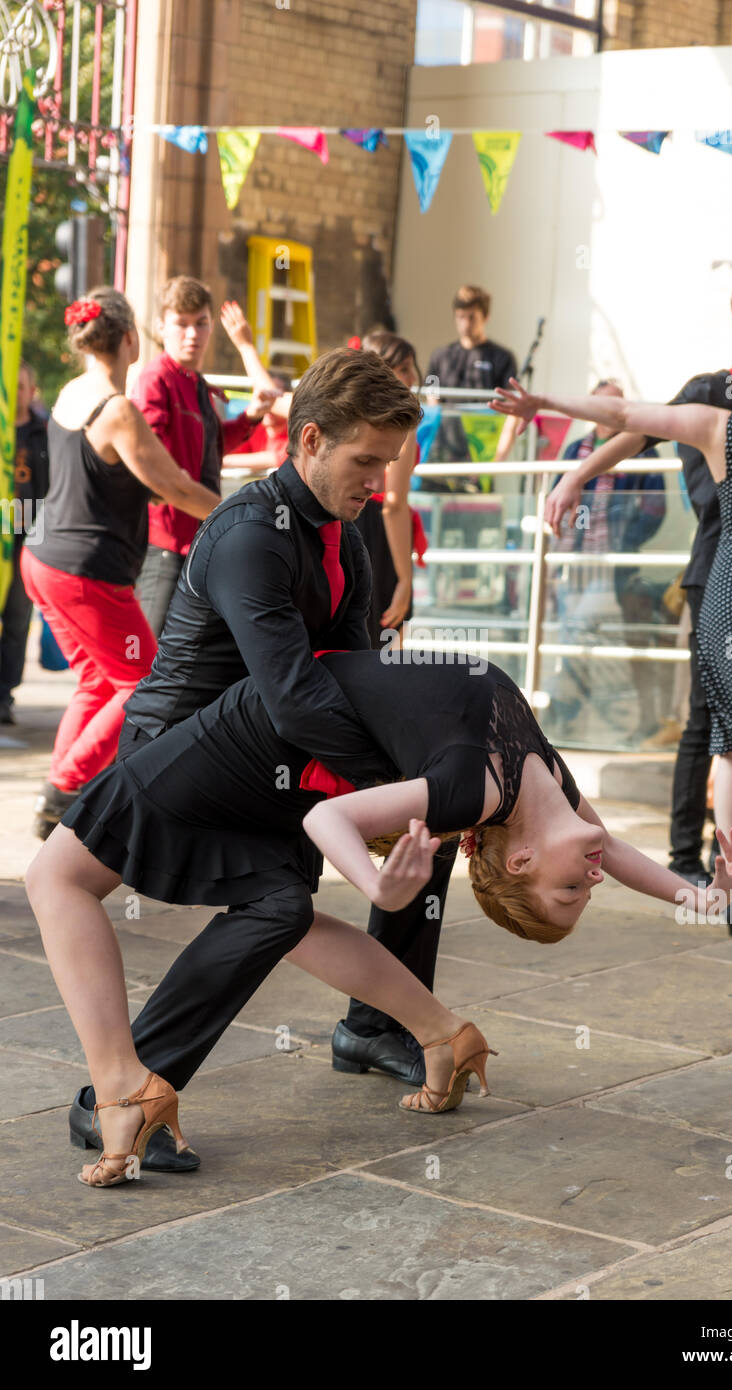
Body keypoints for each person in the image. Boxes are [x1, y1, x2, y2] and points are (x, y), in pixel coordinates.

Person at [25, 647, 732, 1184]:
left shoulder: (472, 791)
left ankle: (122, 1088)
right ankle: (441, 1035)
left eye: (570, 894)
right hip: (280, 744)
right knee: (277, 911)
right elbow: (616, 848)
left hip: (255, 745)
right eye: (583, 893)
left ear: (521, 864)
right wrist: (700, 896)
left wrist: (377, 885)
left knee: (55, 874)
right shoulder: (547, 779)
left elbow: (331, 820)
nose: (591, 880)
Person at [61, 346, 440, 1172]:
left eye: (386, 463)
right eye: (363, 460)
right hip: (174, 751)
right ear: (306, 441)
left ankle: (123, 1101)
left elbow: (354, 673)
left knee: (294, 902)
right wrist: (394, 787)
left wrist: (419, 784)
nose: (377, 480)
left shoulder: (346, 533)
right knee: (283, 896)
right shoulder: (248, 534)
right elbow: (296, 697)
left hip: (257, 754)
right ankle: (119, 1098)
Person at [493, 322, 732, 932]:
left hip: (729, 596)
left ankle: (722, 889)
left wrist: (544, 402)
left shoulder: (717, 427)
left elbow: (622, 410)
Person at [19, 289, 222, 839]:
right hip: (85, 572)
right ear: (130, 338)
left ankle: (63, 801)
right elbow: (175, 486)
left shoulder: (70, 393)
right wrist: (241, 513)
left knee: (95, 683)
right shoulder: (117, 410)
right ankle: (63, 788)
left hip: (43, 559)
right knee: (145, 682)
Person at [131, 281, 278, 637]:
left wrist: (251, 417)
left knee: (183, 659)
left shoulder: (194, 380)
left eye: (201, 322)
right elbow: (151, 467)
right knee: (146, 660)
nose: (192, 334)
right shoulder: (156, 378)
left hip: (196, 540)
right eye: (181, 323)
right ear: (162, 326)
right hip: (164, 544)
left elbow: (208, 449)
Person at [546, 380, 667, 743]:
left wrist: (625, 542)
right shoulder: (574, 449)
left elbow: (655, 508)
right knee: (573, 640)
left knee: (632, 643)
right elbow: (557, 498)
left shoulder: (644, 451)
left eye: (616, 406)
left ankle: (646, 720)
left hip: (620, 567)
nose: (609, 414)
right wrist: (558, 560)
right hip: (579, 565)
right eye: (600, 406)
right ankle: (574, 718)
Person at [354, 331, 425, 643]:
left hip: (350, 521)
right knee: (387, 649)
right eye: (404, 368)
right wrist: (405, 581)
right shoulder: (401, 419)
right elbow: (394, 501)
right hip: (380, 533)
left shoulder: (348, 411)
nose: (412, 377)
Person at [0, 363, 50, 725]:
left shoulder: (42, 433)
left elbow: (50, 490)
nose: (16, 392)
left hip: (26, 530)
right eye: (10, 386)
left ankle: (4, 694)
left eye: (22, 387)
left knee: (17, 619)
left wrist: (43, 540)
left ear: (32, 391)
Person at [426, 284, 522, 469]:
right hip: (443, 452)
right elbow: (431, 399)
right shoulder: (439, 355)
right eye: (461, 317)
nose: (466, 323)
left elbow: (513, 409)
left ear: (485, 317)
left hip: (481, 452)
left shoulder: (503, 357)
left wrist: (498, 460)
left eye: (472, 317)